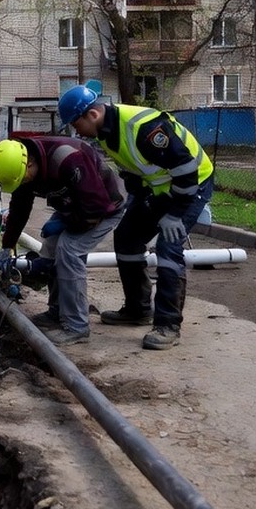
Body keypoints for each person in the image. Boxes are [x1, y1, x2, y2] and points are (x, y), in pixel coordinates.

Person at [59, 85, 215, 350]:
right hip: (163, 190)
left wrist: (175, 214)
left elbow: (187, 169)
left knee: (168, 246)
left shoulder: (143, 127)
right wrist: (137, 201)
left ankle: (167, 325)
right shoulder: (107, 134)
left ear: (93, 115)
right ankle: (138, 309)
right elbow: (134, 171)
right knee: (127, 237)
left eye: (76, 124)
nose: (76, 132)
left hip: (192, 187)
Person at [0, 136, 126, 345]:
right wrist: (7, 247)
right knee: (50, 248)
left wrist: (65, 224)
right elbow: (19, 211)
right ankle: (57, 311)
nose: (22, 183)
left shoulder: (68, 159)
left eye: (22, 179)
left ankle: (77, 326)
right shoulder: (22, 169)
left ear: (29, 162)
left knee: (69, 250)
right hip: (73, 206)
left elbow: (96, 207)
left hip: (105, 206)